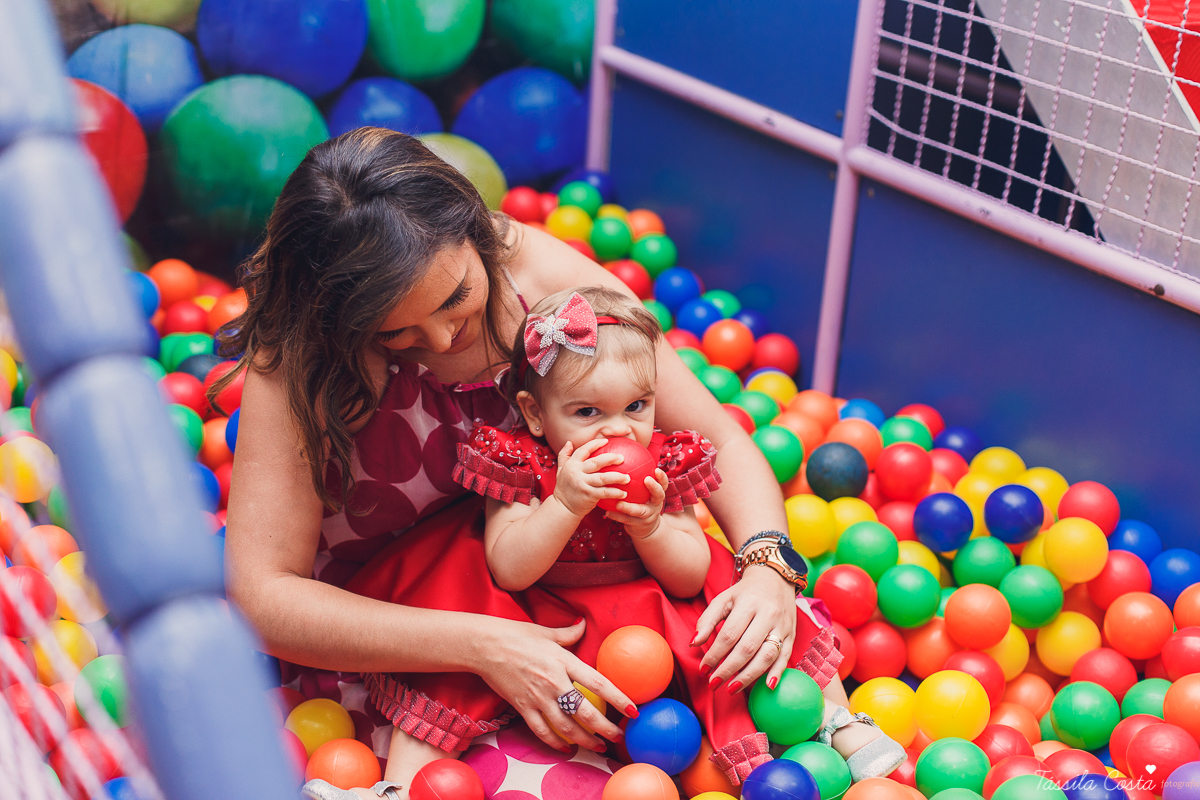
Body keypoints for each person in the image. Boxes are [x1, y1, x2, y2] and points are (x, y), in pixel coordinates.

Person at [220, 129, 901, 800]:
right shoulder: (302, 348)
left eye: (456, 297)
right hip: (392, 637)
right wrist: (484, 646)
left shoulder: (553, 294)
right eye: (394, 331)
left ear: (473, 230)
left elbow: (716, 435)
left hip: (578, 606)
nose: (441, 338)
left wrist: (765, 568)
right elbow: (264, 595)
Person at [332, 285, 897, 793]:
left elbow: (688, 575)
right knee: (449, 659)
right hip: (536, 609)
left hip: (640, 606)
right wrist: (565, 504)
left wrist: (651, 526)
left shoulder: (665, 464)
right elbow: (508, 568)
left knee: (745, 619)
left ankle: (835, 720)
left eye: (636, 406)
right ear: (534, 415)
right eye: (586, 412)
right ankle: (398, 786)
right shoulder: (519, 462)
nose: (620, 429)